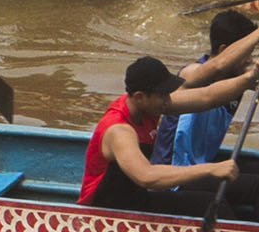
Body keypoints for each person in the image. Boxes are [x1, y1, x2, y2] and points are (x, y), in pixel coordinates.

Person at [152, 7, 259, 220]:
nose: (249, 59)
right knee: (257, 186)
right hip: (176, 176)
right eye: (246, 52)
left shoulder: (240, 75)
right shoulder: (191, 75)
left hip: (203, 166)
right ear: (225, 49)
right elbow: (219, 64)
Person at [82, 56, 243, 214]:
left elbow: (207, 97)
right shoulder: (119, 130)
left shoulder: (146, 106)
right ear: (140, 97)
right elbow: (146, 176)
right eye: (163, 95)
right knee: (213, 205)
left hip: (135, 200)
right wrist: (210, 169)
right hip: (104, 216)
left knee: (212, 201)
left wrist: (250, 78)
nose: (168, 100)